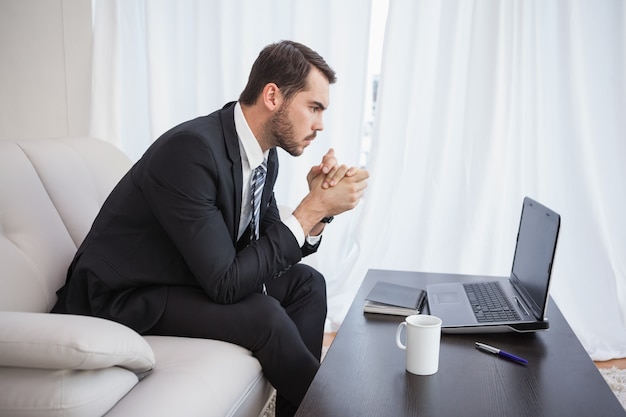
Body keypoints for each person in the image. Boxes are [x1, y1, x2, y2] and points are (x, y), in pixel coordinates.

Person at [52, 40, 369, 416]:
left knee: (307, 284)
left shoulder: (263, 155)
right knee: (263, 315)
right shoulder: (191, 151)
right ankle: (331, 411)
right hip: (124, 296)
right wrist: (309, 209)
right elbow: (225, 283)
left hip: (188, 275)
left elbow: (267, 247)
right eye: (314, 107)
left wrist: (317, 209)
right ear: (272, 96)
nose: (319, 125)